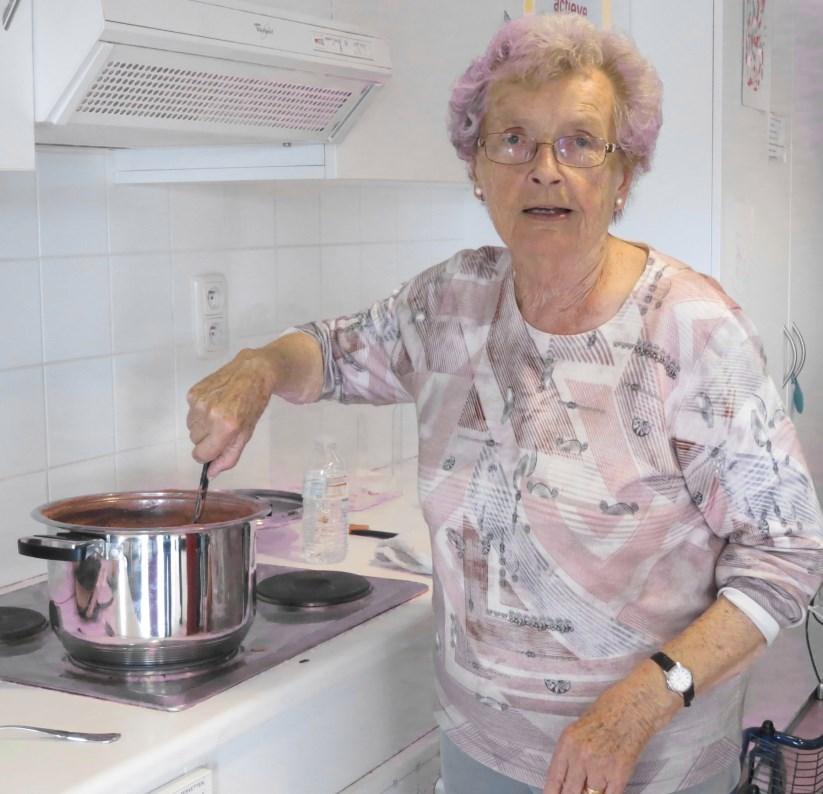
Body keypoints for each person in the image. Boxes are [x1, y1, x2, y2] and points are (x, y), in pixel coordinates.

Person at [186, 13, 823, 794]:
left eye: (580, 142)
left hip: (647, 766)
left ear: (623, 176)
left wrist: (640, 703)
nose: (544, 169)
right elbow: (331, 349)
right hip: (478, 751)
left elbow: (785, 558)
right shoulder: (454, 298)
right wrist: (256, 368)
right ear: (476, 169)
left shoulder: (690, 331)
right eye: (512, 140)